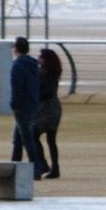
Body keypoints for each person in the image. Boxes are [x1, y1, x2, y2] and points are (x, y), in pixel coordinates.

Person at [9, 36, 45, 179]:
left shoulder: (18, 65)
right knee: (18, 138)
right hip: (32, 103)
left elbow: (16, 87)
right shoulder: (33, 64)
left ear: (16, 49)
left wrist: (14, 104)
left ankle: (36, 168)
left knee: (26, 138)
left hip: (22, 105)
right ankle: (14, 164)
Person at [33, 48, 63, 179]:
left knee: (33, 135)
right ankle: (54, 167)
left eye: (41, 57)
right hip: (53, 108)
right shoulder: (52, 73)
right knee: (51, 140)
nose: (39, 59)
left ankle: (43, 164)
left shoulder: (44, 74)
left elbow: (45, 92)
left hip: (47, 109)